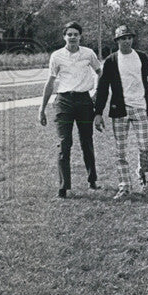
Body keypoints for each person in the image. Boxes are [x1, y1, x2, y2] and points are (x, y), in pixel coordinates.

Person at [94, 25, 148, 199]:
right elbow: (102, 88)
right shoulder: (111, 61)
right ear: (117, 41)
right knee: (121, 151)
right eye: (123, 38)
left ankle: (143, 175)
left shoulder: (141, 57)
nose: (127, 41)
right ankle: (124, 186)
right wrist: (98, 112)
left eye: (129, 37)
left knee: (145, 147)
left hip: (140, 107)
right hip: (120, 110)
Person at [38, 21, 102, 198]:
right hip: (64, 102)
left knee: (86, 142)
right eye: (69, 34)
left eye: (76, 34)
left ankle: (92, 180)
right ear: (64, 37)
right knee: (64, 143)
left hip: (84, 101)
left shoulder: (88, 53)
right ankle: (63, 187)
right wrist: (41, 109)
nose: (72, 37)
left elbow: (99, 72)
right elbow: (50, 82)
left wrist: (96, 92)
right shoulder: (57, 56)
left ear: (80, 36)